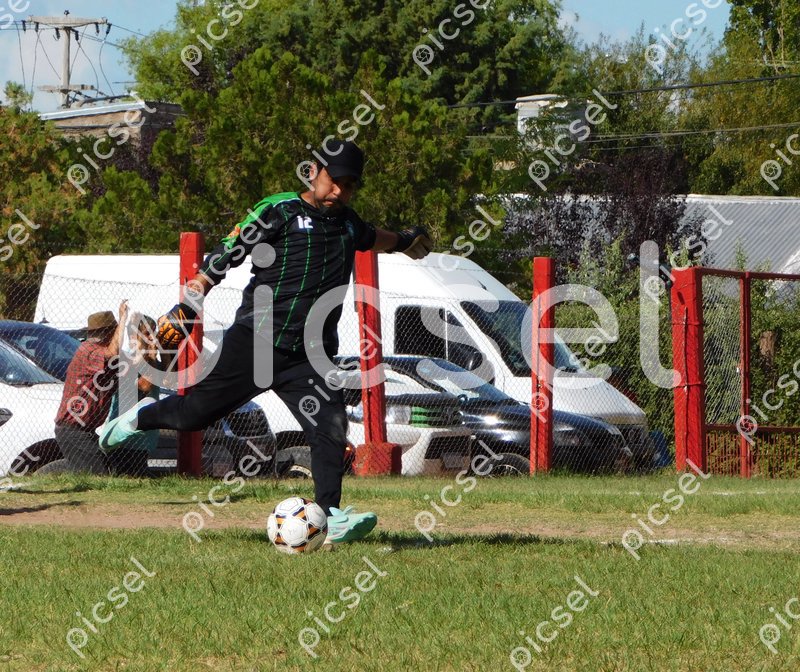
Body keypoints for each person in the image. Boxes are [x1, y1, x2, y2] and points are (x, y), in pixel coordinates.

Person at [99, 140, 433, 542]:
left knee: (330, 427)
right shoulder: (280, 210)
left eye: (349, 185)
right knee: (194, 415)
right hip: (255, 344)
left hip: (310, 356)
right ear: (313, 172)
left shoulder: (348, 224)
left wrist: (406, 241)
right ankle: (136, 418)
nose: (339, 191)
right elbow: (228, 252)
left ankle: (329, 518)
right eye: (333, 180)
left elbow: (374, 237)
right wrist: (191, 300)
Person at [41, 302, 128, 475]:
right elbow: (113, 352)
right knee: (97, 474)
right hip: (72, 429)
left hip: (83, 430)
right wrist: (123, 319)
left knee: (102, 470)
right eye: (115, 331)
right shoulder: (88, 350)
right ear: (109, 332)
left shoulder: (103, 357)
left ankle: (54, 476)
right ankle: (48, 476)